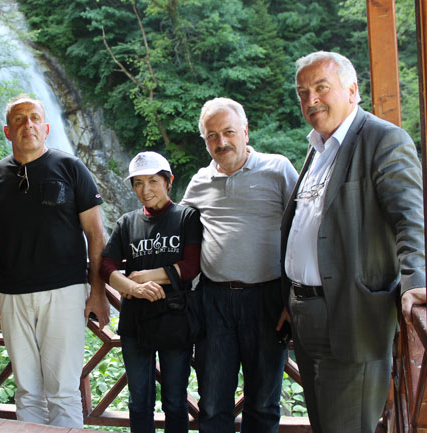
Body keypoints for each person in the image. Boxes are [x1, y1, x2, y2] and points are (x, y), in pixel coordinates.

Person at [281, 51, 427, 433]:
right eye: (302, 92)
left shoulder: (383, 139)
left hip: (352, 316)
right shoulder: (317, 148)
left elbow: (410, 219)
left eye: (321, 88)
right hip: (304, 315)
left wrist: (416, 280)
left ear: (352, 90)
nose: (311, 99)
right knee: (324, 425)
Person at [0, 94, 110, 428]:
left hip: (65, 291)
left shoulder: (71, 167)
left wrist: (98, 292)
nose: (28, 125)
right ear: (7, 131)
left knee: (63, 390)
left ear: (46, 128)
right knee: (27, 391)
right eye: (19, 120)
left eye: (34, 118)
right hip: (12, 295)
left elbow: (96, 234)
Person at [180, 97, 298, 433]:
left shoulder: (278, 169)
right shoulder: (199, 181)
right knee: (213, 401)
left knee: (263, 402)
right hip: (214, 301)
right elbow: (175, 230)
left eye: (229, 132)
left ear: (245, 132)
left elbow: (304, 229)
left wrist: (293, 298)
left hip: (268, 299)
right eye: (212, 136)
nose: (221, 142)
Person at [100, 151, 202, 433]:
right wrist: (133, 287)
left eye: (153, 181)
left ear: (169, 182)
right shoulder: (127, 223)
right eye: (138, 183)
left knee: (175, 401)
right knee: (139, 401)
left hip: (175, 318)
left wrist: (145, 276)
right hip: (136, 320)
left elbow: (192, 265)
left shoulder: (186, 217)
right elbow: (106, 265)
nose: (145, 190)